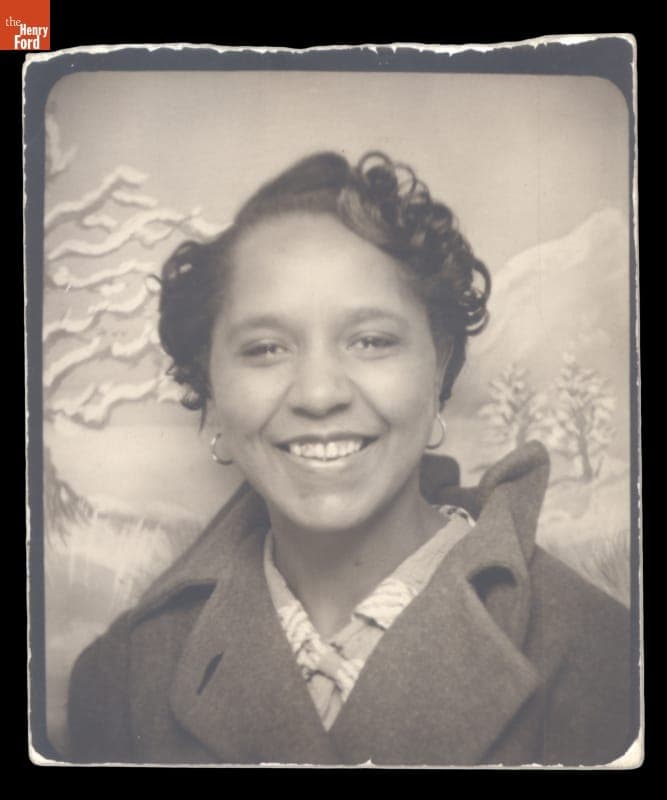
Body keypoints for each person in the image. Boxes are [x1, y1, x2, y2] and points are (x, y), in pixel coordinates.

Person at [66, 151, 636, 766]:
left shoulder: (602, 657)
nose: (318, 394)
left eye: (371, 341)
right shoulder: (120, 678)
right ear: (210, 391)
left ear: (438, 364)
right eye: (263, 348)